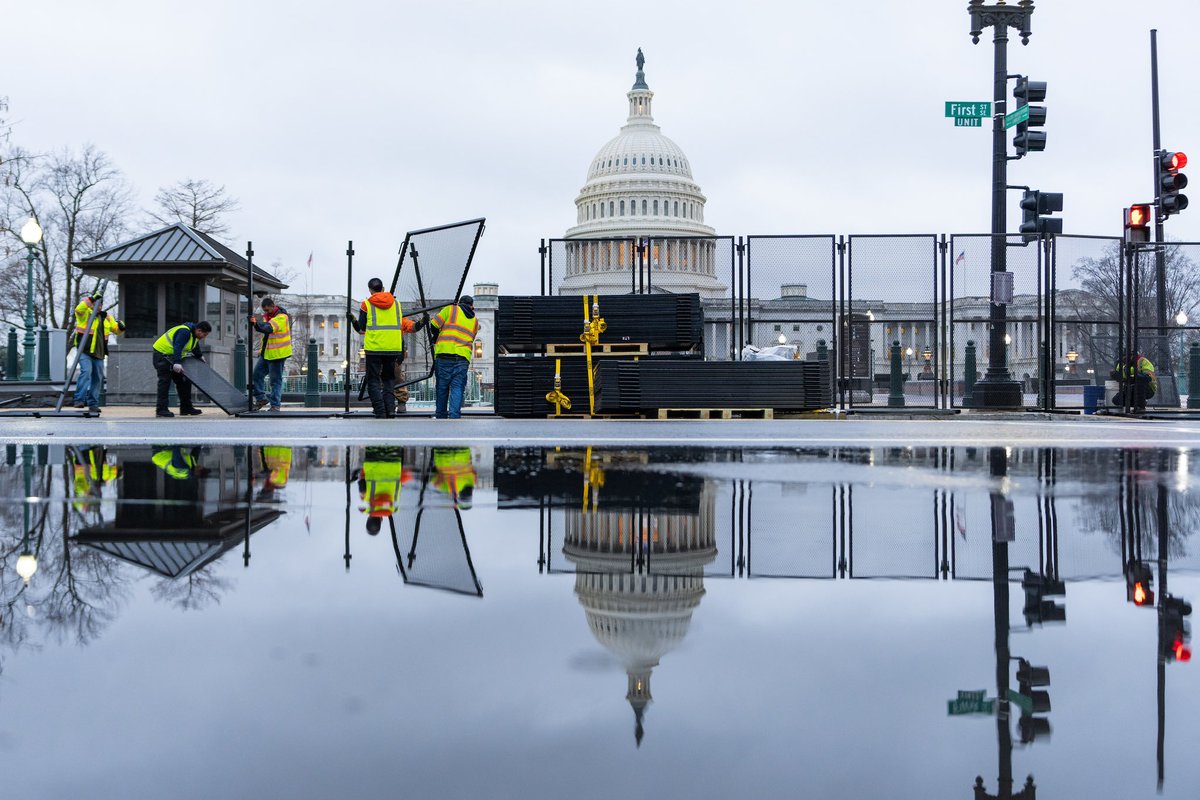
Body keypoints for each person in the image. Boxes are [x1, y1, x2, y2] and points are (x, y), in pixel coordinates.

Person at [350, 278, 421, 418]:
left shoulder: (367, 305)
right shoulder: (396, 304)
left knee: (374, 381)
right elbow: (405, 324)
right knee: (390, 380)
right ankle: (390, 410)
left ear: (370, 290)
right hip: (393, 348)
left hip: (374, 348)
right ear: (383, 288)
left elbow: (362, 328)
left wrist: (353, 321)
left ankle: (380, 410)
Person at [429, 295, 480, 419]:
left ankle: (441, 415)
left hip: (444, 354)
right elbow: (471, 339)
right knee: (457, 387)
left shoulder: (450, 309)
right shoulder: (475, 322)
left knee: (442, 387)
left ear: (459, 303)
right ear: (472, 306)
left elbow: (434, 325)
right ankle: (454, 416)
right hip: (462, 357)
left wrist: (436, 337)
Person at [72, 298, 125, 413]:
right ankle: (79, 400)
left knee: (97, 378)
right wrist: (90, 299)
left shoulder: (107, 317)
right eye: (94, 304)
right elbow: (78, 309)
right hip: (85, 351)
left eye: (99, 304)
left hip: (99, 353)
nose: (97, 306)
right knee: (86, 372)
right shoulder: (85, 314)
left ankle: (93, 404)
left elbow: (116, 330)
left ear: (101, 306)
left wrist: (121, 327)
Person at [152, 321, 212, 417]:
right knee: (164, 382)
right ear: (199, 330)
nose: (204, 337)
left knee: (184, 381)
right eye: (204, 334)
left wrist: (199, 356)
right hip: (162, 355)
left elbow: (194, 346)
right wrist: (177, 363)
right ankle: (161, 410)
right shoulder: (184, 332)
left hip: (172, 358)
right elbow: (178, 346)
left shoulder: (193, 335)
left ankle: (186, 408)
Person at [250, 297, 292, 412]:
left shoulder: (282, 317)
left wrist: (256, 324)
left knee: (275, 381)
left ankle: (275, 405)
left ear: (273, 306)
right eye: (264, 311)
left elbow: (269, 328)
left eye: (268, 310)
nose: (266, 312)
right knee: (257, 375)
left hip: (278, 354)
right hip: (267, 353)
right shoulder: (268, 317)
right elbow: (266, 336)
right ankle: (261, 399)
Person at [355, 446, 409, 533]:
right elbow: (362, 480)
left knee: (393, 439)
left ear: (381, 521)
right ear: (369, 519)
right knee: (375, 438)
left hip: (394, 462)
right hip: (373, 461)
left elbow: (401, 482)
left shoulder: (394, 507)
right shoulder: (365, 504)